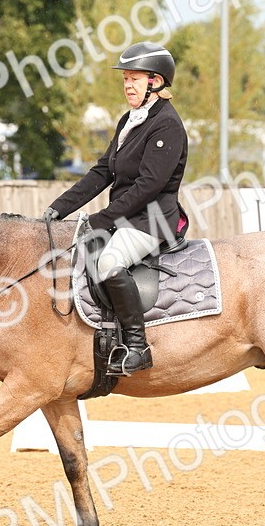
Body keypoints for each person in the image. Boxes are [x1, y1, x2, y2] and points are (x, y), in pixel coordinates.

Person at [43, 41, 189, 376]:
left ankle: (138, 347)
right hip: (126, 218)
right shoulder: (131, 119)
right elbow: (103, 171)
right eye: (125, 79)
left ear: (155, 81)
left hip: (151, 221)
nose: (127, 85)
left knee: (107, 263)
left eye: (134, 79)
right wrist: (59, 207)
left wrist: (100, 219)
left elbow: (148, 186)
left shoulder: (166, 124)